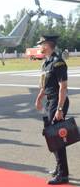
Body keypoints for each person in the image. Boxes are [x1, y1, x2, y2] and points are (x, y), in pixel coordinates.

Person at [35, 35, 70, 185]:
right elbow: (45, 86)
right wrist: (39, 98)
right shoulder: (46, 63)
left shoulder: (58, 63)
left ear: (47, 45)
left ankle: (63, 174)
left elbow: (63, 87)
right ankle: (59, 167)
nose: (39, 47)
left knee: (57, 138)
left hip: (58, 102)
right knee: (51, 136)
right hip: (50, 101)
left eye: (41, 44)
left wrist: (60, 109)